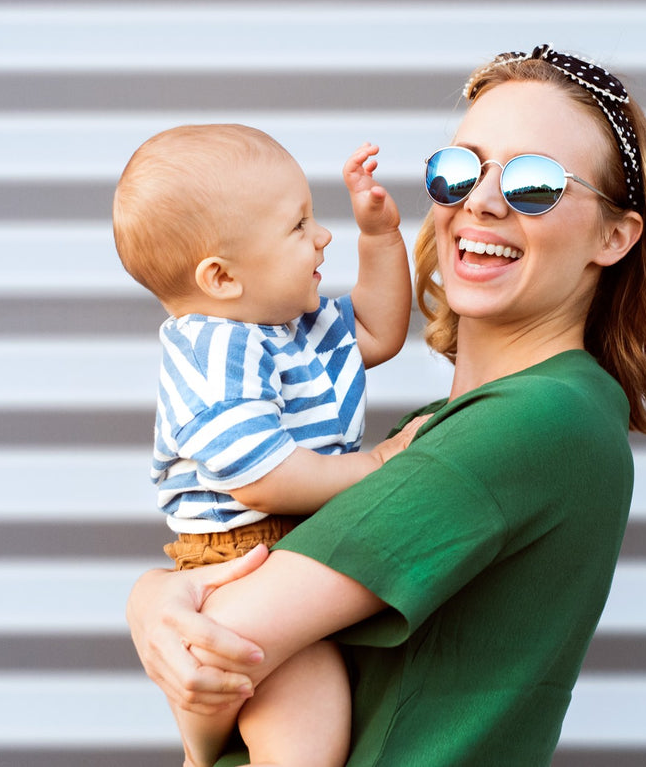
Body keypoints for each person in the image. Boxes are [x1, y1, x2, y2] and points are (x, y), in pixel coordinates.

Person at [126, 45, 646, 766]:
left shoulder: (538, 419)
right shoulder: (442, 430)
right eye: (460, 169)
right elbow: (214, 682)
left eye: (533, 183)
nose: (481, 202)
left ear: (615, 235)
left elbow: (222, 645)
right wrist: (157, 602)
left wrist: (153, 602)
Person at [113, 123, 423, 767]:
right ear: (222, 277)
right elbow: (261, 476)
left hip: (287, 547)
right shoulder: (213, 349)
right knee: (308, 736)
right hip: (246, 556)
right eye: (298, 225)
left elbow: (378, 328)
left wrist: (380, 238)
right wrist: (378, 466)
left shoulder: (293, 328)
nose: (322, 236)